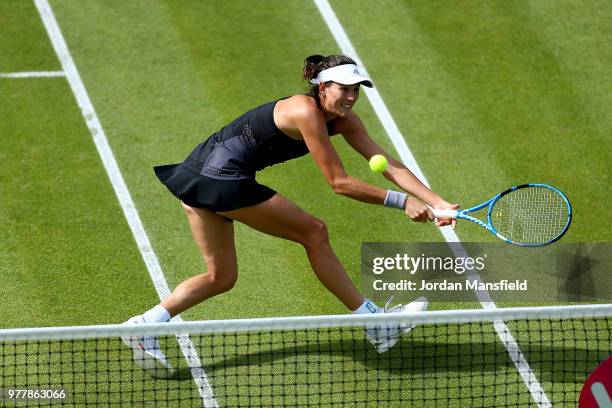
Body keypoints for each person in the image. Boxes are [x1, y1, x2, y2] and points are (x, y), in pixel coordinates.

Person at [122, 54, 459, 376]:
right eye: (344, 89)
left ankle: (144, 326)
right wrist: (402, 202)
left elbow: (389, 162)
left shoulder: (345, 121)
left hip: (198, 178)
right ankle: (375, 323)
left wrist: (437, 201)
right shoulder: (305, 111)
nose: (351, 97)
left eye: (356, 90)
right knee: (314, 232)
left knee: (220, 277)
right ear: (323, 87)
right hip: (220, 178)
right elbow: (338, 182)